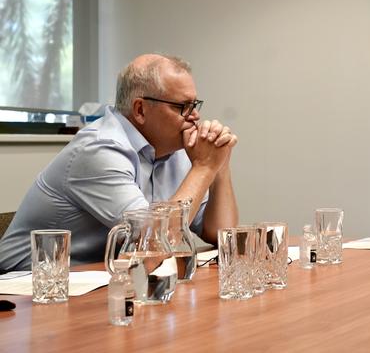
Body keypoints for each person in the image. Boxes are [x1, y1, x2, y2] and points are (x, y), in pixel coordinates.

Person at [0, 54, 238, 271]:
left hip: (106, 280)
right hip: (26, 288)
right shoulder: (99, 149)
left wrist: (219, 164)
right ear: (140, 110)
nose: (194, 117)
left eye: (195, 105)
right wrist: (204, 167)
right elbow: (152, 243)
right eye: (182, 107)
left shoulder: (173, 150)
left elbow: (221, 235)